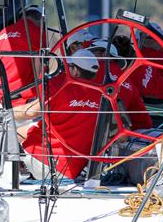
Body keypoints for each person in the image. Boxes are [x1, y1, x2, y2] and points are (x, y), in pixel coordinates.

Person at [15, 49, 104, 180]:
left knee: (9, 132)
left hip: (46, 165)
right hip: (75, 168)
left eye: (68, 67)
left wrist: (4, 112)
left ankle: (13, 176)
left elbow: (30, 112)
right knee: (24, 130)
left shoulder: (60, 88)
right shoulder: (102, 95)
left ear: (75, 70)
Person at [0, 5, 44, 107]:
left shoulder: (2, 33)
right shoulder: (38, 33)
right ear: (41, 20)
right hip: (23, 99)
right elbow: (40, 65)